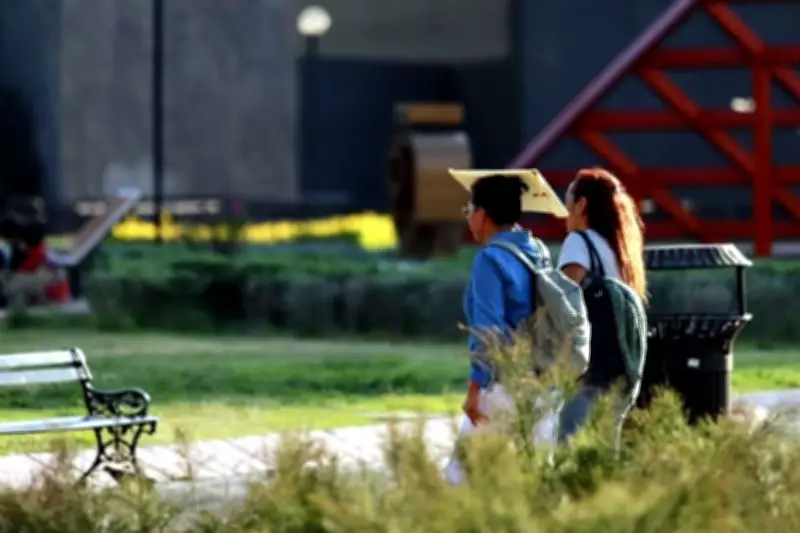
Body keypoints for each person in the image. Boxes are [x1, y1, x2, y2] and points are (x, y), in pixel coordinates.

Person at [556, 167, 648, 444]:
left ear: (581, 205)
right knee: (605, 452)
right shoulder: (619, 250)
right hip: (622, 370)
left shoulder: (578, 242)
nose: (565, 213)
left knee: (572, 449)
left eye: (568, 203)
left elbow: (562, 304)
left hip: (588, 373)